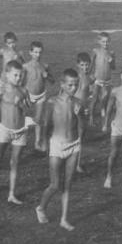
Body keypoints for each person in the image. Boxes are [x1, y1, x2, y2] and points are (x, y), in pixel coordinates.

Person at [35, 69, 84, 230]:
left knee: (68, 184)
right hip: (57, 144)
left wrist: (79, 115)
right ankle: (41, 207)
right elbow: (45, 123)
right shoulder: (52, 102)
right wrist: (41, 140)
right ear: (62, 84)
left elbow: (82, 125)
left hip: (74, 145)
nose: (73, 87)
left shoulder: (77, 102)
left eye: (76, 84)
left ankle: (64, 219)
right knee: (55, 184)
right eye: (70, 84)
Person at [0, 60, 31, 204]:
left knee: (15, 162)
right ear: (7, 74)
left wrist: (21, 104)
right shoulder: (2, 89)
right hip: (5, 129)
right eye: (15, 75)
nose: (18, 78)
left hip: (20, 131)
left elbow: (29, 110)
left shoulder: (24, 91)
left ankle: (11, 194)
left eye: (20, 76)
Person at [22, 41, 55, 152]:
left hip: (41, 95)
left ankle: (37, 142)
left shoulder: (45, 66)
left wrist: (47, 76)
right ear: (30, 52)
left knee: (38, 120)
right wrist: (24, 95)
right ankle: (21, 139)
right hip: (28, 95)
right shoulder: (25, 66)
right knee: (22, 118)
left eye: (40, 52)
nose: (38, 55)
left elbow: (53, 81)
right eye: (35, 52)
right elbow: (21, 83)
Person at [88, 32, 115, 127]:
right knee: (94, 98)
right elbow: (91, 64)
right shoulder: (95, 51)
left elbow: (114, 67)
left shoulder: (111, 53)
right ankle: (91, 117)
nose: (105, 44)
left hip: (107, 80)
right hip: (97, 79)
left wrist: (111, 61)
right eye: (103, 41)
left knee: (105, 97)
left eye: (107, 42)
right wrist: (89, 74)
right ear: (99, 42)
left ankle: (103, 107)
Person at [74, 52, 94, 173]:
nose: (85, 67)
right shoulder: (76, 77)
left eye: (87, 65)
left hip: (82, 109)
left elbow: (86, 95)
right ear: (78, 65)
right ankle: (72, 162)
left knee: (80, 136)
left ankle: (76, 163)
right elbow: (67, 92)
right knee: (73, 135)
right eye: (82, 65)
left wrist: (86, 107)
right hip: (74, 109)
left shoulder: (88, 77)